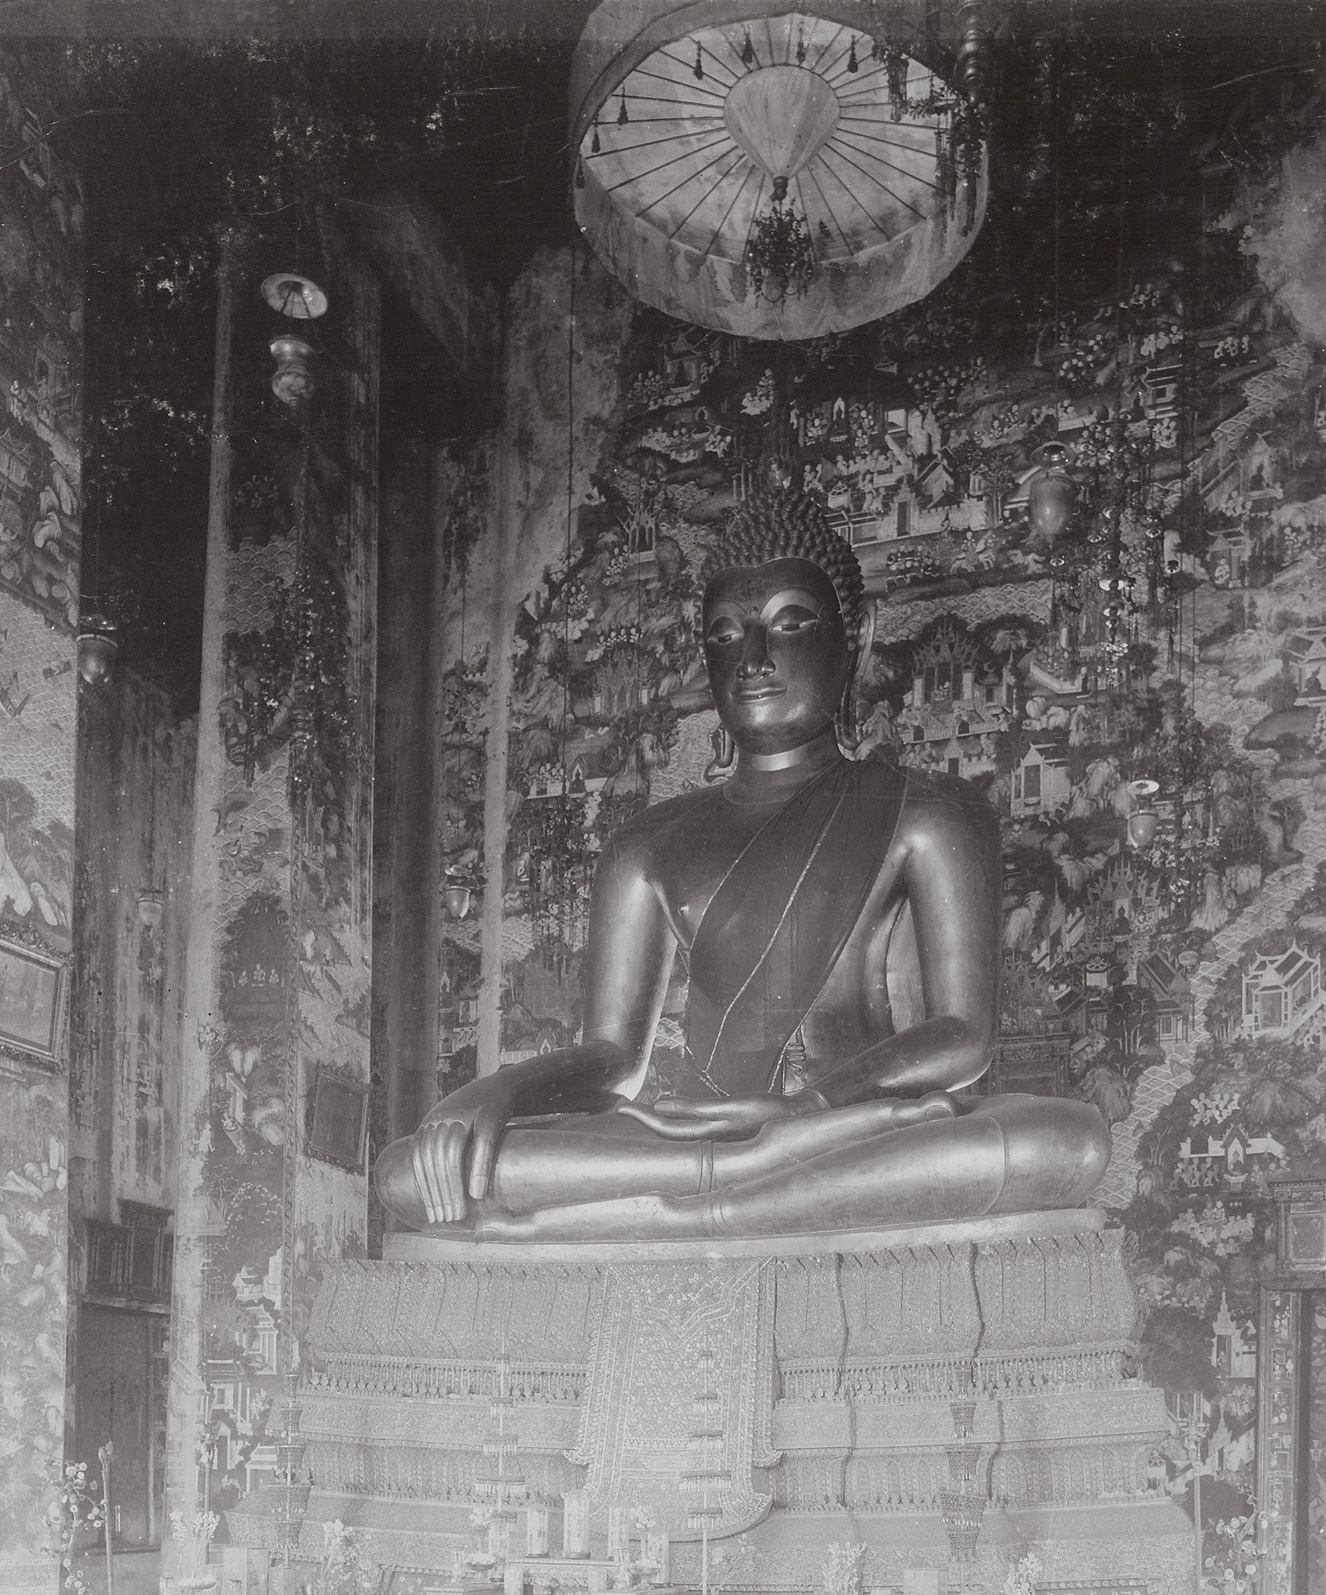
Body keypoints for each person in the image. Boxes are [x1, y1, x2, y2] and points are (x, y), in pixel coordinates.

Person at [376, 491, 1108, 1243]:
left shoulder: (931, 812)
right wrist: (492, 1094)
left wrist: (806, 1109)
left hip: (850, 1130)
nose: (753, 659)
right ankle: (731, 1183)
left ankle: (702, 1204)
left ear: (856, 636)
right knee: (409, 1172)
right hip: (696, 1135)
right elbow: (613, 1060)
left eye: (790, 624)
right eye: (725, 635)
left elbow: (961, 1034)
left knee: (1064, 1141)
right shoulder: (645, 844)